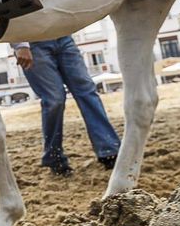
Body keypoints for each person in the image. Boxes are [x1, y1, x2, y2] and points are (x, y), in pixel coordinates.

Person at [13, 38, 120, 177]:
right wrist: (19, 44)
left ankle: (109, 150)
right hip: (33, 44)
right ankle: (54, 157)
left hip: (64, 37)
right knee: (54, 100)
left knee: (87, 91)